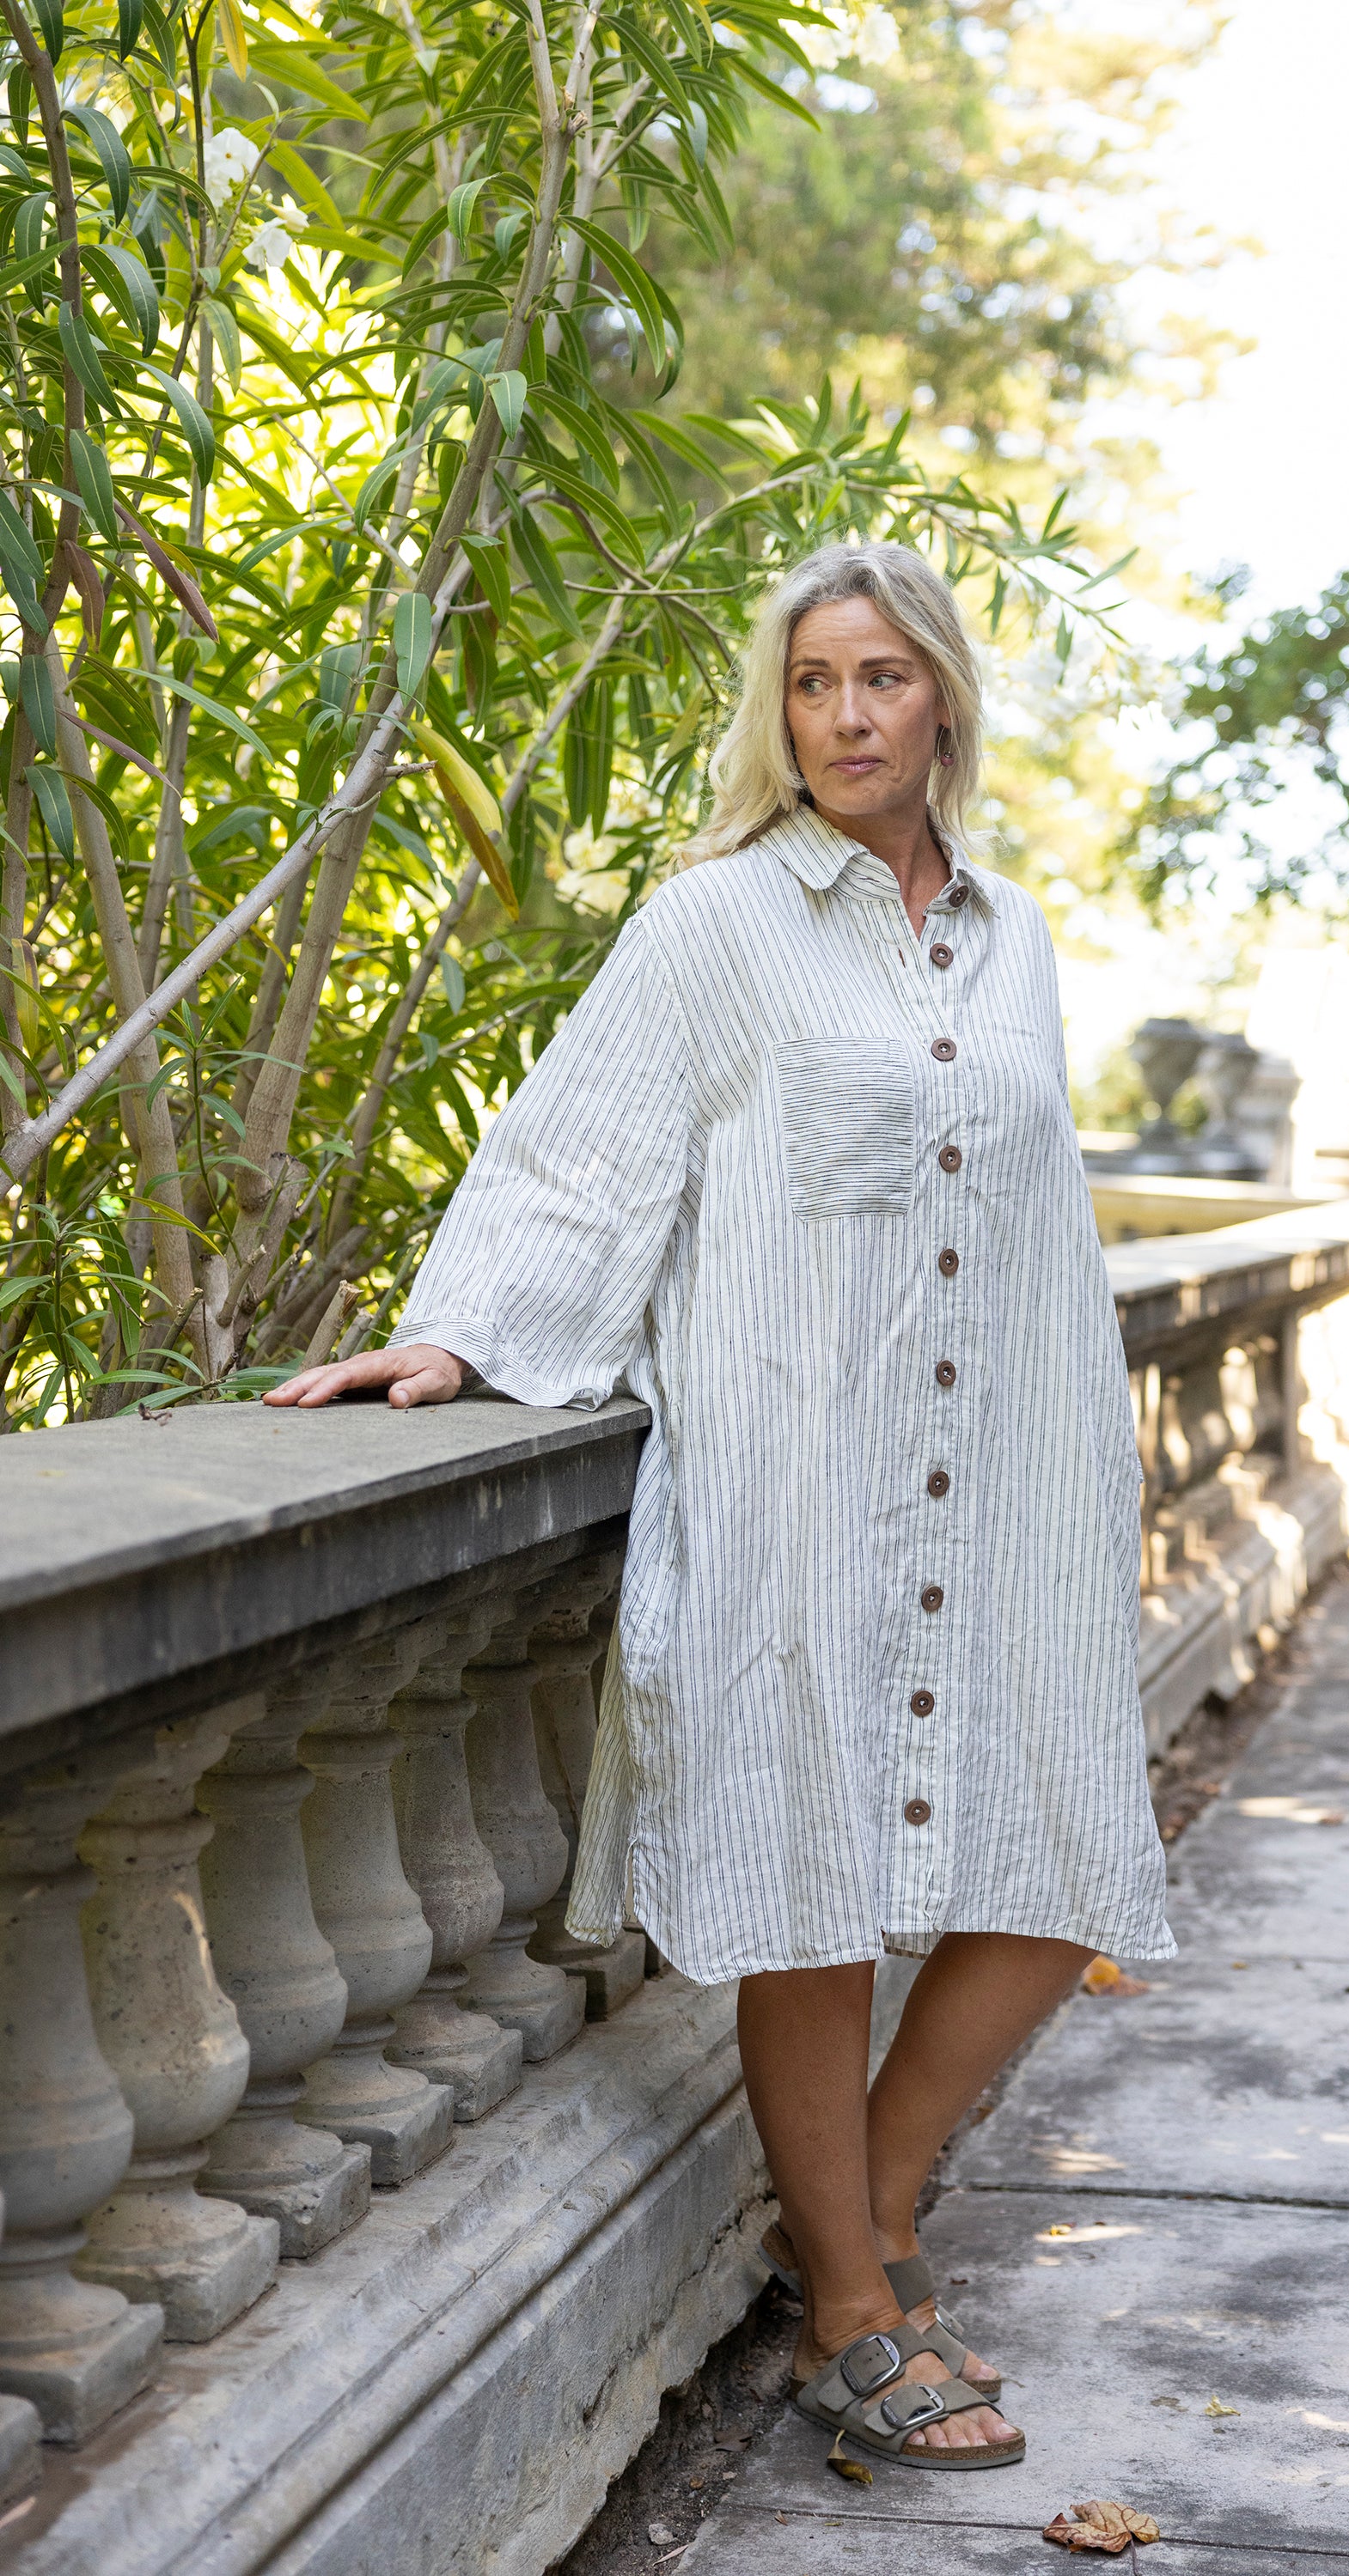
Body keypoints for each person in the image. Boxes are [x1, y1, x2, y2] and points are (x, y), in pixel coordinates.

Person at [266, 539, 1173, 2469]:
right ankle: (851, 2303)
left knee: (1054, 1854)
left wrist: (1094, 1475)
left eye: (881, 679)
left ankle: (870, 2206)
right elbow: (586, 1155)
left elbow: (1042, 1222)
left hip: (999, 1486)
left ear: (943, 699)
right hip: (798, 1483)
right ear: (783, 715)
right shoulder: (713, 927)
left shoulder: (1013, 938)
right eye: (812, 684)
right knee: (810, 1887)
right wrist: (455, 1342)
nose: (845, 716)